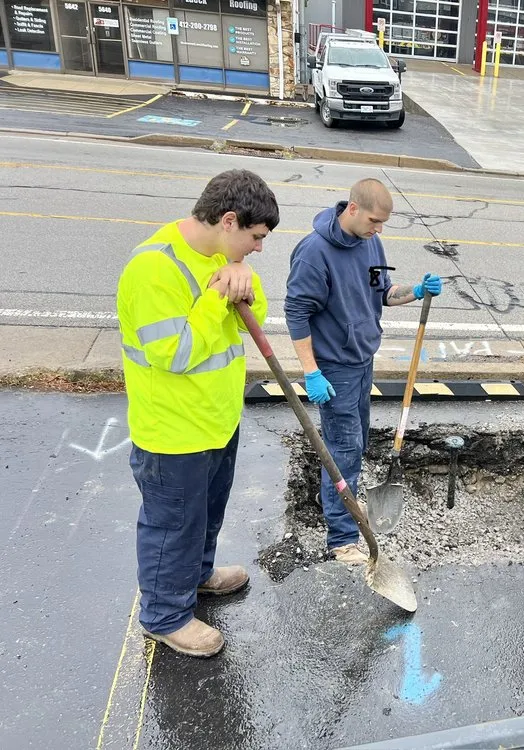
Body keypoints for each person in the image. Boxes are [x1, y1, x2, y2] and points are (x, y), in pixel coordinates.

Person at [117, 169, 279, 658]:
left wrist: (244, 283)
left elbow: (256, 319)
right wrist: (215, 296)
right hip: (173, 432)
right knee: (172, 525)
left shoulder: (220, 256)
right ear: (228, 220)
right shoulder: (153, 269)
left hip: (216, 422)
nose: (258, 249)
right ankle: (164, 616)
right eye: (255, 238)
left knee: (206, 513)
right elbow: (177, 352)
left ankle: (199, 574)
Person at [285, 178, 442, 564]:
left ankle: (339, 500)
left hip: (362, 359)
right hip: (333, 368)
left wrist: (416, 291)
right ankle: (341, 539)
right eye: (374, 219)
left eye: (383, 223)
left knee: (356, 440)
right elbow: (296, 312)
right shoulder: (314, 253)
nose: (379, 229)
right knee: (344, 448)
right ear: (351, 209)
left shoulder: (371, 242)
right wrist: (311, 372)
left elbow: (384, 293)